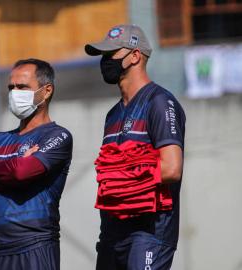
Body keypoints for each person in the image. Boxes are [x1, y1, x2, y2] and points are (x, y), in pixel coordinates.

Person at [84, 24, 186, 269]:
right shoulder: (112, 114)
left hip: (149, 232)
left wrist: (121, 177)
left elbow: (172, 169)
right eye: (103, 56)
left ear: (135, 55)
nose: (105, 61)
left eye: (111, 54)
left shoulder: (160, 102)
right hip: (112, 233)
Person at [0, 58, 73, 270]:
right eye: (11, 88)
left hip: (33, 246)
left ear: (46, 90)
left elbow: (22, 172)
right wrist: (14, 167)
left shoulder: (58, 135)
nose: (14, 94)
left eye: (22, 87)